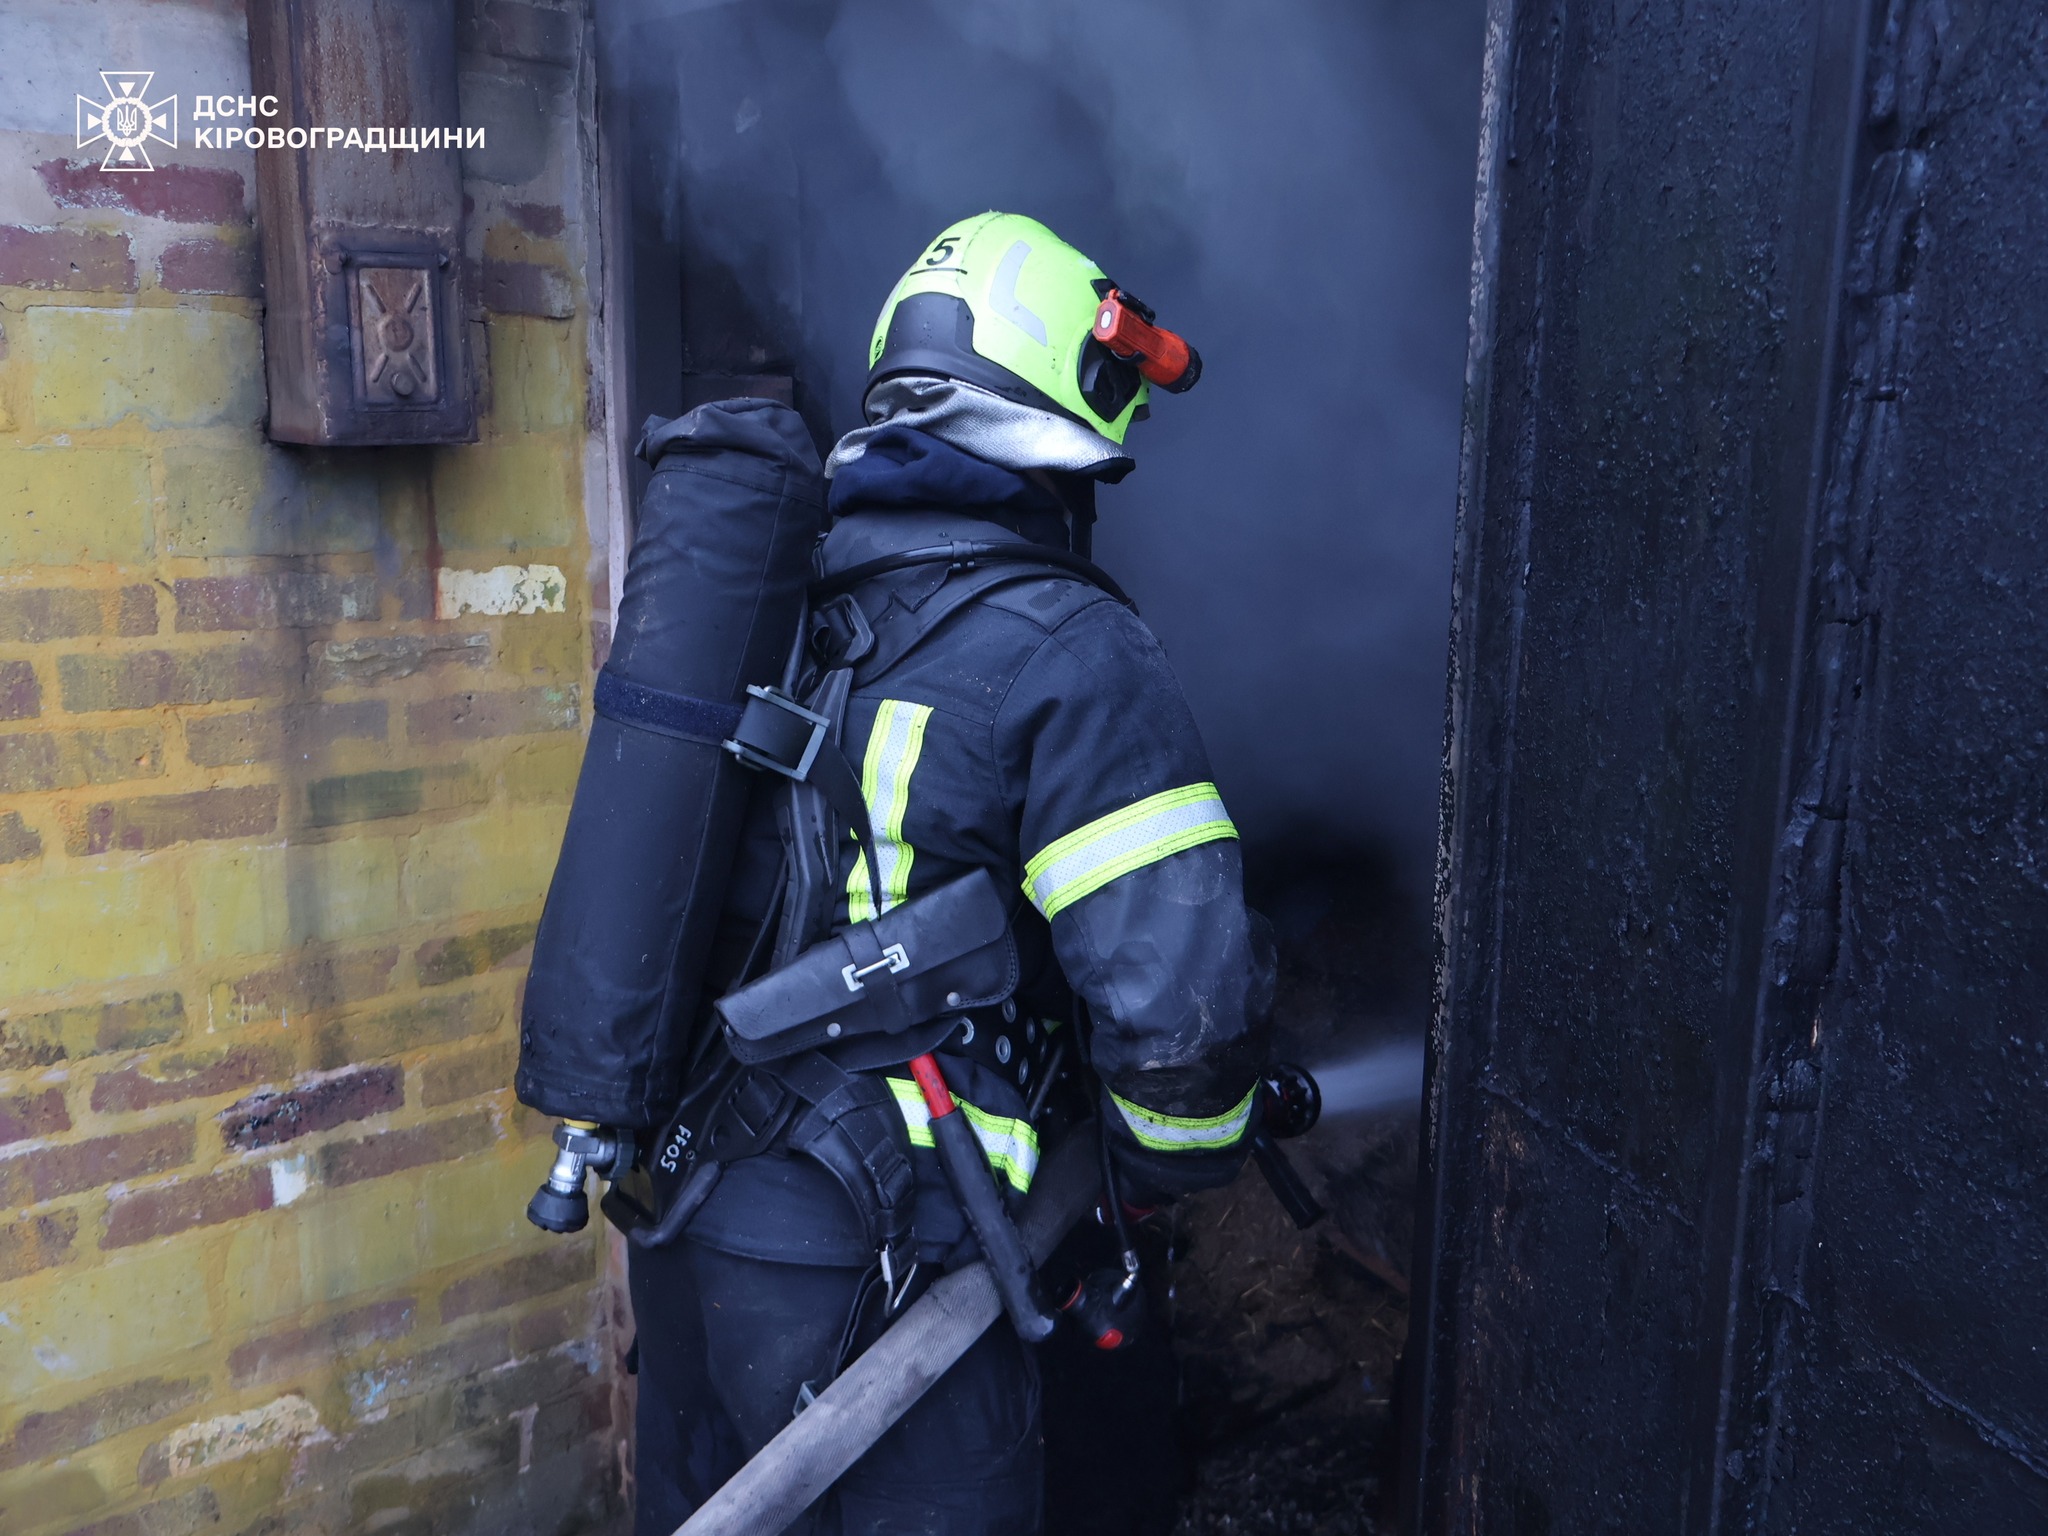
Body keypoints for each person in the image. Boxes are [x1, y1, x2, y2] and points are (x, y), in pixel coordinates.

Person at [628, 211, 1272, 1535]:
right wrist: (1167, 1165)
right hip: (898, 1257)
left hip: (698, 1217)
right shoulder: (1070, 649)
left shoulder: (775, 605)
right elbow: (1181, 1021)